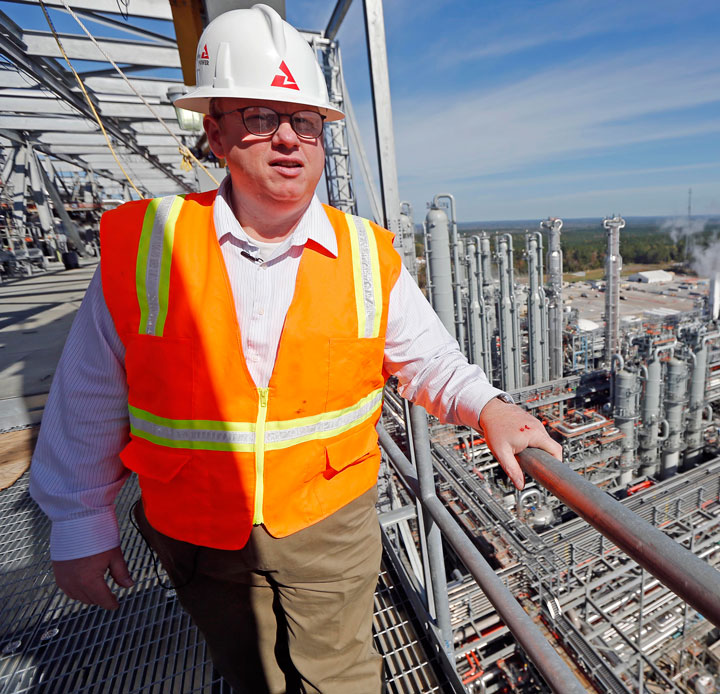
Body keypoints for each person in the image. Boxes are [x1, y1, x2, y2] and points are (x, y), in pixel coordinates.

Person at [28, 5, 561, 693]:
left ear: (323, 138)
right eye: (259, 116)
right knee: (247, 672)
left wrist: (491, 407)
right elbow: (89, 395)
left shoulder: (364, 254)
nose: (287, 138)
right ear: (215, 133)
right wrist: (78, 523)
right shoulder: (150, 249)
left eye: (304, 121)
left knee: (337, 678)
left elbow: (430, 360)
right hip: (196, 531)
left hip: (326, 525)